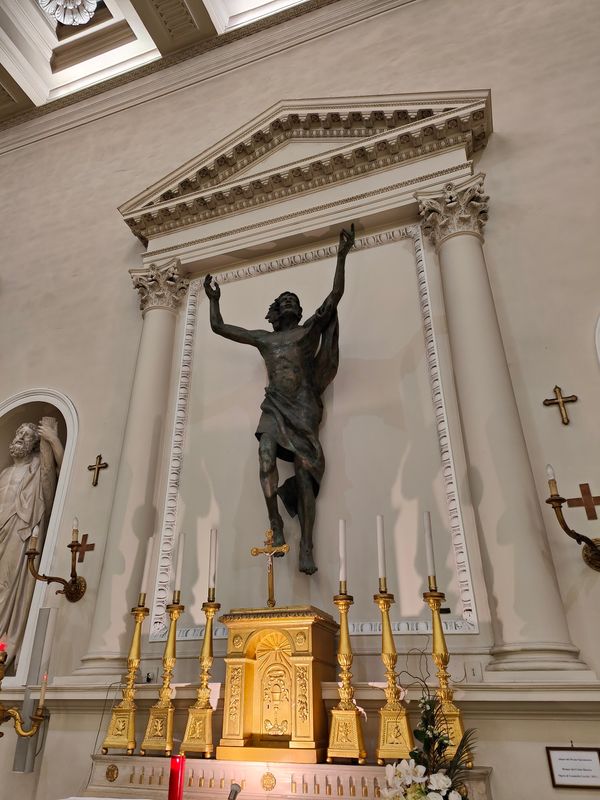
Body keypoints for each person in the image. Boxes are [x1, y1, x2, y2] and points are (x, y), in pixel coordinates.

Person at [204, 225, 355, 574]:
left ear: (299, 312)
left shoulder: (308, 331)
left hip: (303, 409)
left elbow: (334, 295)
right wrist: (214, 301)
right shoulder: (264, 339)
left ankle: (307, 545)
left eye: (294, 301)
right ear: (274, 312)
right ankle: (275, 522)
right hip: (274, 407)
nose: (289, 302)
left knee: (304, 475)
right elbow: (220, 328)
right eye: (284, 300)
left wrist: (342, 255)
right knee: (265, 457)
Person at [0, 419, 63, 665]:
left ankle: (4, 643)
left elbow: (56, 472)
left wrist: (53, 440)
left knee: (6, 585)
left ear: (34, 444)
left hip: (19, 532)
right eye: (18, 432)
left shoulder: (37, 466)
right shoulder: (4, 473)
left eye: (26, 435)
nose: (19, 437)